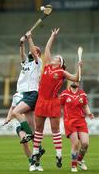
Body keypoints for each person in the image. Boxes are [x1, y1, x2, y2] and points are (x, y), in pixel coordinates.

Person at [29, 28, 82, 171]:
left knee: (55, 129)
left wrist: (78, 68)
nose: (54, 57)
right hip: (41, 101)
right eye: (54, 57)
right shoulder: (46, 66)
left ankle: (58, 155)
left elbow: (76, 78)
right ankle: (34, 156)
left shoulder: (61, 72)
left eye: (57, 58)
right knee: (38, 130)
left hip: (53, 102)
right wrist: (52, 36)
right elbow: (47, 49)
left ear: (60, 63)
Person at [2, 31, 44, 171]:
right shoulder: (26, 62)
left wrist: (30, 38)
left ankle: (33, 142)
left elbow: (32, 50)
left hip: (33, 93)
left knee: (16, 112)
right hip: (25, 94)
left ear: (38, 53)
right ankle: (35, 159)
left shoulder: (39, 63)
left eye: (36, 50)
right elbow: (22, 53)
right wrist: (21, 43)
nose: (33, 51)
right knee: (30, 128)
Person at [60, 81, 94, 172]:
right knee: (75, 144)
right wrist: (64, 115)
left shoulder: (82, 93)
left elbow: (85, 106)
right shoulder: (64, 94)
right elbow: (60, 106)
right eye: (73, 80)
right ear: (70, 82)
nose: (74, 82)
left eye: (76, 80)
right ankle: (73, 165)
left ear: (79, 83)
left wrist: (89, 113)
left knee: (85, 144)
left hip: (81, 121)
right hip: (69, 121)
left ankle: (79, 160)